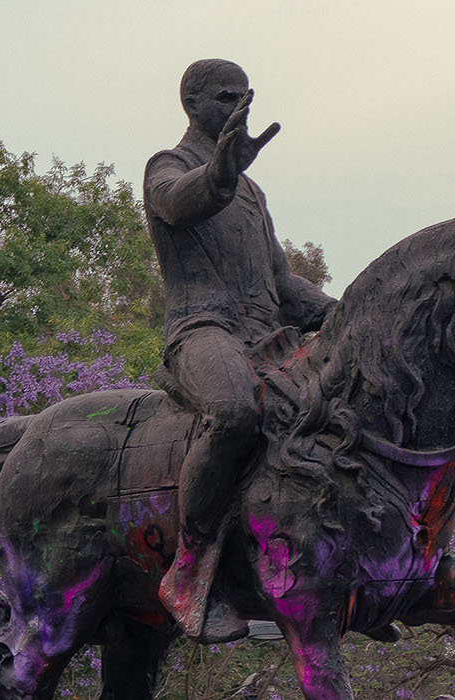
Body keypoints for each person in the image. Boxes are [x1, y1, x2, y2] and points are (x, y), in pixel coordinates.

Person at [145, 58, 336, 638]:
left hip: (267, 340)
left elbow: (282, 284)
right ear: (192, 101)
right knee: (233, 410)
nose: (237, 109)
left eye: (244, 99)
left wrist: (349, 313)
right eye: (226, 98)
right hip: (202, 332)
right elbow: (182, 202)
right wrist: (222, 171)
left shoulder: (253, 192)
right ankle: (188, 569)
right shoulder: (167, 167)